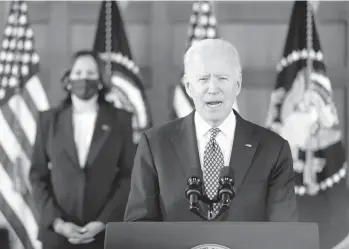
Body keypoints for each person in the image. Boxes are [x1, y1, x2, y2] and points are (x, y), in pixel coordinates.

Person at [124, 39, 298, 222]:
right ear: (189, 87)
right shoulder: (155, 145)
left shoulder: (273, 149)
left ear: (237, 84)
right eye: (203, 79)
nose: (213, 89)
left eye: (222, 78)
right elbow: (138, 227)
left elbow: (283, 232)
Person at [29, 50, 135, 249]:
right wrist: (59, 224)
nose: (83, 78)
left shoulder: (121, 120)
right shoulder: (48, 120)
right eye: (77, 73)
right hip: (57, 235)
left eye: (90, 73)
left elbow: (128, 176)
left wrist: (103, 222)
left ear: (101, 80)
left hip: (105, 235)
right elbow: (37, 175)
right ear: (68, 80)